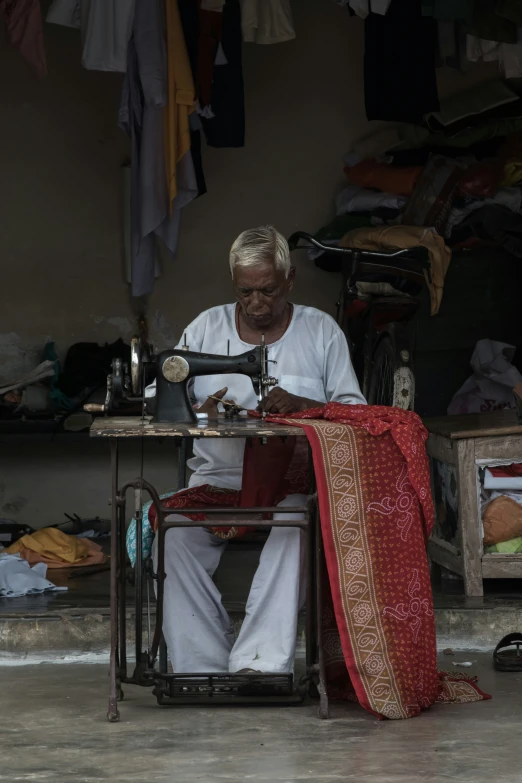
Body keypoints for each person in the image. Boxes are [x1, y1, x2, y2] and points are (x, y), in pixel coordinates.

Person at [152, 225, 365, 675]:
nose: (256, 303)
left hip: (295, 486)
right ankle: (201, 667)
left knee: (296, 528)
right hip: (217, 481)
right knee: (171, 537)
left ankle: (259, 666)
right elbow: (158, 395)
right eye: (245, 291)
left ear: (289, 281)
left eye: (268, 290)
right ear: (234, 284)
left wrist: (309, 406)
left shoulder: (321, 331)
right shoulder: (205, 327)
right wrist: (192, 407)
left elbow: (356, 415)